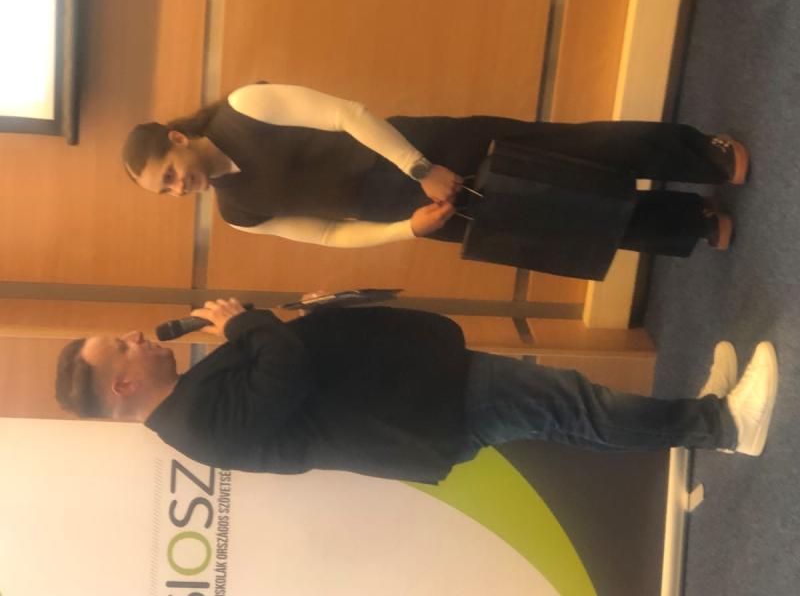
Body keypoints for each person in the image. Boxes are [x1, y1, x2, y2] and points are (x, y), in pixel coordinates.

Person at [54, 299, 778, 484]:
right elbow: (286, 373)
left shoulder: (190, 402)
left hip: (420, 390)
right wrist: (245, 324)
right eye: (123, 346)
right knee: (574, 407)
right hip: (426, 408)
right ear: (122, 383)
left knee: (567, 406)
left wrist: (282, 320)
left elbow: (283, 361)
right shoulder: (197, 427)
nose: (138, 336)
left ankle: (697, 418)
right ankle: (722, 426)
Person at [122, 84, 744, 266]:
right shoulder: (238, 212)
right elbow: (329, 234)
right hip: (417, 211)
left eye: (170, 174)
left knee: (576, 153)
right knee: (556, 222)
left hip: (426, 149)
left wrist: (420, 168)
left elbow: (346, 115)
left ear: (177, 138)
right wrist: (409, 230)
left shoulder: (244, 107)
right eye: (166, 192)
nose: (179, 189)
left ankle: (701, 156)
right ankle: (689, 222)